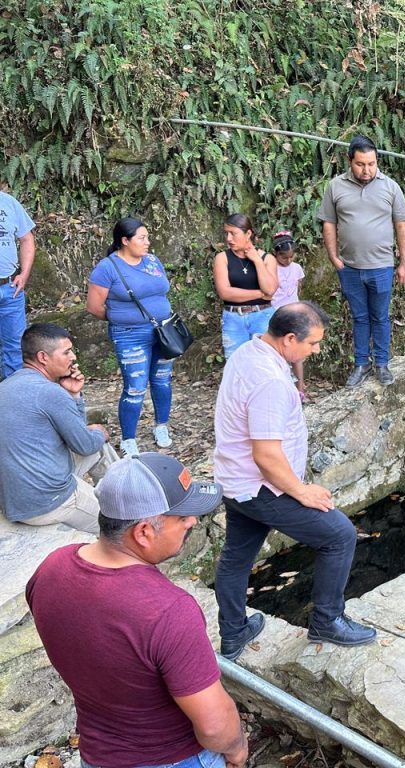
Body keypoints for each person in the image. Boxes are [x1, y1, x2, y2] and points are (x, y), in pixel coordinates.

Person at [26, 452, 248, 768]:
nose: (193, 521)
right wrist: (237, 746)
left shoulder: (51, 568)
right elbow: (214, 726)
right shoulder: (169, 611)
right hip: (172, 758)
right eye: (182, 517)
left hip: (97, 755)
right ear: (144, 532)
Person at [213, 302, 376, 657]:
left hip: (235, 480)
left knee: (237, 558)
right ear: (289, 339)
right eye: (312, 343)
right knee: (339, 535)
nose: (315, 350)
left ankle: (234, 632)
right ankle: (327, 621)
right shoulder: (269, 381)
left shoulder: (248, 353)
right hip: (261, 486)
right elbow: (266, 455)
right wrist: (301, 491)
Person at [0, 323, 115, 533]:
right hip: (47, 502)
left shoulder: (6, 386)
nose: (73, 357)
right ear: (43, 357)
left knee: (96, 445)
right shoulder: (49, 393)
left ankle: (119, 492)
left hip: (13, 499)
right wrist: (99, 433)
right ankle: (124, 505)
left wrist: (73, 396)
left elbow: (78, 436)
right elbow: (85, 445)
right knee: (121, 524)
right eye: (67, 352)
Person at [318, 135, 405, 387]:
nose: (367, 170)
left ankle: (382, 364)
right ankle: (361, 363)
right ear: (349, 160)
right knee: (359, 317)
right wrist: (334, 257)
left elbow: (401, 225)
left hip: (381, 266)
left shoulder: (390, 187)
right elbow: (329, 223)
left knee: (380, 317)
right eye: (360, 164)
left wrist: (403, 263)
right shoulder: (335, 187)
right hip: (349, 267)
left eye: (371, 163)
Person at [87, 218, 176, 456]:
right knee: (135, 387)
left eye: (147, 237)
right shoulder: (107, 268)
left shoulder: (152, 261)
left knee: (162, 381)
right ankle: (128, 439)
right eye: (142, 238)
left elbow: (161, 291)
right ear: (125, 241)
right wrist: (123, 317)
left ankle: (161, 426)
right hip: (130, 336)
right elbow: (94, 307)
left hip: (163, 332)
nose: (148, 242)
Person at [213, 213, 278, 359]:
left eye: (233, 233)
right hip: (233, 319)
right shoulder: (222, 258)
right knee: (235, 363)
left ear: (248, 233)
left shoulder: (267, 258)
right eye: (226, 233)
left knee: (266, 362)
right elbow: (225, 293)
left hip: (263, 316)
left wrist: (257, 260)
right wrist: (261, 294)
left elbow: (270, 289)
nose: (228, 238)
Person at [0, 188, 36, 378]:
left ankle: (12, 391)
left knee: (15, 345)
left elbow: (27, 239)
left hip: (10, 287)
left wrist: (24, 274)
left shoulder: (8, 202)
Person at [270, 230, 308, 400]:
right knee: (279, 353)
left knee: (297, 353)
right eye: (284, 257)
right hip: (276, 314)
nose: (288, 260)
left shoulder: (297, 268)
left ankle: (300, 389)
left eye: (291, 257)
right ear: (275, 254)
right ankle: (283, 390)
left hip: (294, 314)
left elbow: (297, 288)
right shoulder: (272, 269)